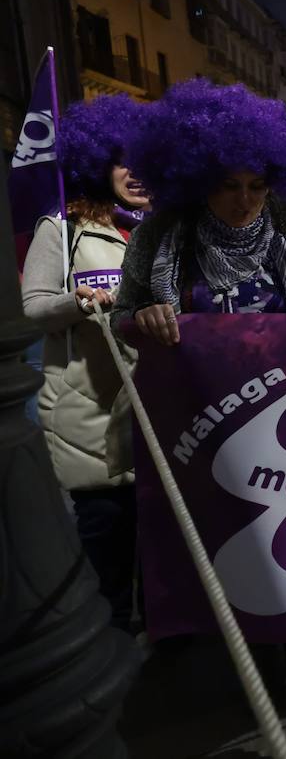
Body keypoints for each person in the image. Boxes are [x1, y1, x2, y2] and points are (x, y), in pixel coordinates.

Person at [114, 81, 286, 759]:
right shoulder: (164, 236)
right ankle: (247, 685)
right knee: (233, 566)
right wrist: (145, 318)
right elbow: (120, 319)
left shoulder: (285, 231)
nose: (245, 200)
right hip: (203, 434)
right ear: (194, 179)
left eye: (256, 184)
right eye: (228, 185)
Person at [21, 94, 149, 633]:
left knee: (167, 558)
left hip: (162, 419)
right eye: (123, 159)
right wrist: (77, 303)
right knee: (109, 560)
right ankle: (117, 674)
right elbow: (32, 310)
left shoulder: (170, 229)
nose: (136, 172)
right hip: (88, 422)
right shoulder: (63, 228)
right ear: (100, 163)